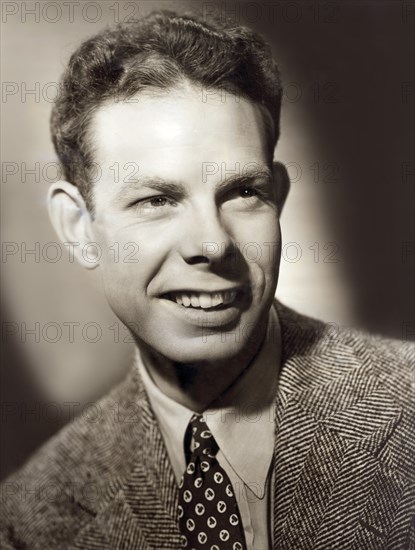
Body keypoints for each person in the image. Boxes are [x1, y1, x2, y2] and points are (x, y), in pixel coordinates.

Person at [1, 10, 413, 550]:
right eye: (157, 201)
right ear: (78, 227)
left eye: (244, 192)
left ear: (279, 198)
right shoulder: (29, 520)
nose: (213, 244)